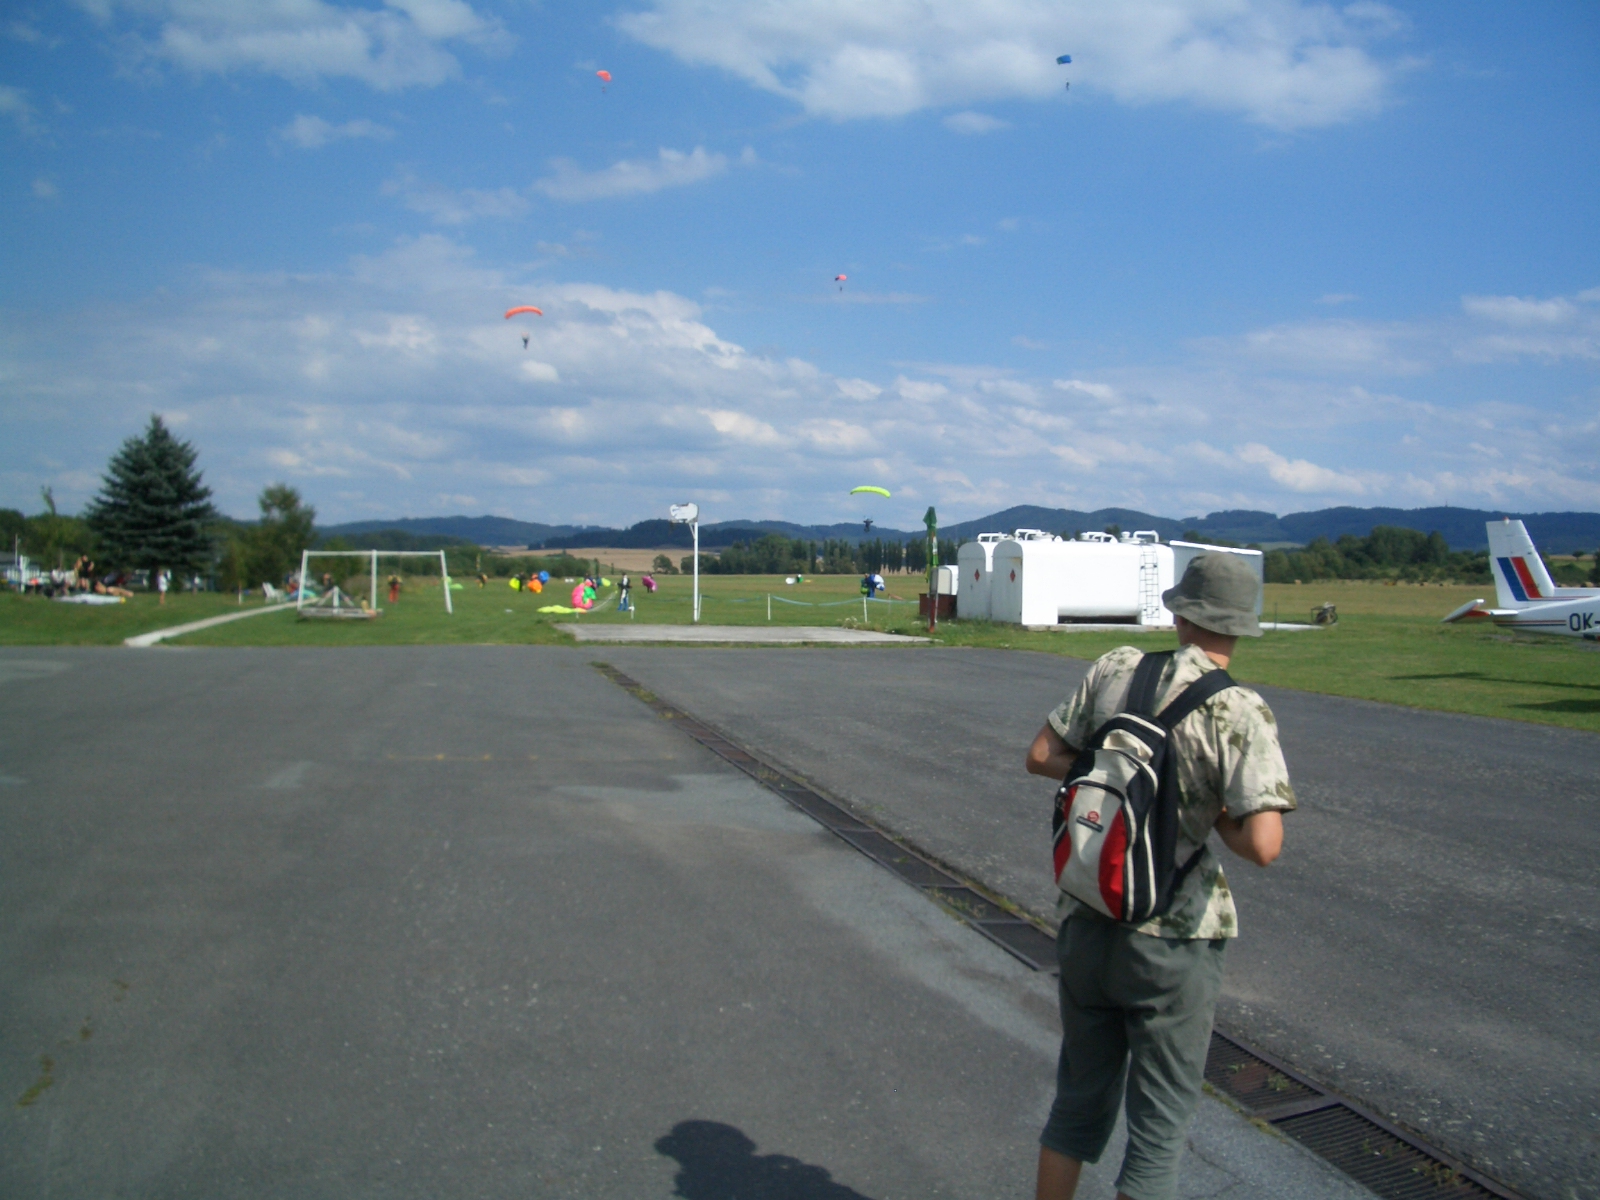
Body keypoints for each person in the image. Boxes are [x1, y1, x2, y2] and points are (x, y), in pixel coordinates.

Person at [1024, 554, 1296, 1200]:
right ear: (1242, 626)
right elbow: (1263, 844)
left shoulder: (1118, 667)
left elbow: (1041, 754)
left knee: (1076, 1103)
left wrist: (1114, 774)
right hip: (1173, 938)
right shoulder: (1238, 709)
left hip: (1088, 914)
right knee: (1156, 1133)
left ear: (1180, 615)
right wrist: (1206, 810)